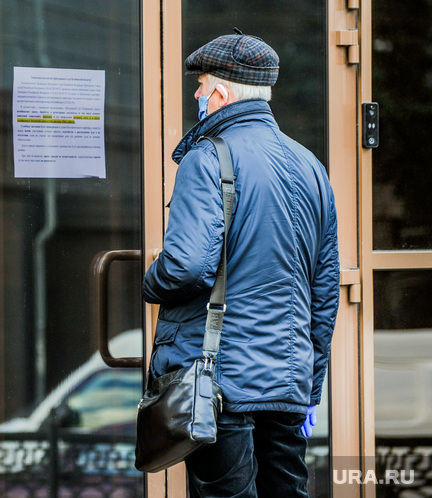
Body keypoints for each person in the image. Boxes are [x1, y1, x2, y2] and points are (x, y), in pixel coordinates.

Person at [142, 30, 340, 497]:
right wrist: (308, 386)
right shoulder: (310, 164)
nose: (196, 95)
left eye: (201, 84)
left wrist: (150, 277)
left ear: (222, 92)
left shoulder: (207, 157)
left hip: (220, 382)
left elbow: (186, 267)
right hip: (286, 382)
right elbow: (325, 289)